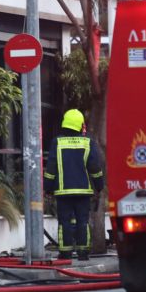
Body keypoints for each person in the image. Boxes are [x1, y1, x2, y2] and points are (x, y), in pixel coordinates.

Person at [43, 109, 105, 261]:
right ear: (80, 124)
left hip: (63, 192)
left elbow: (51, 168)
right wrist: (99, 186)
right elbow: (95, 167)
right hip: (83, 192)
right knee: (82, 221)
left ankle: (65, 253)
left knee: (64, 222)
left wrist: (47, 188)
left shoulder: (57, 142)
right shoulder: (87, 142)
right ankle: (83, 253)